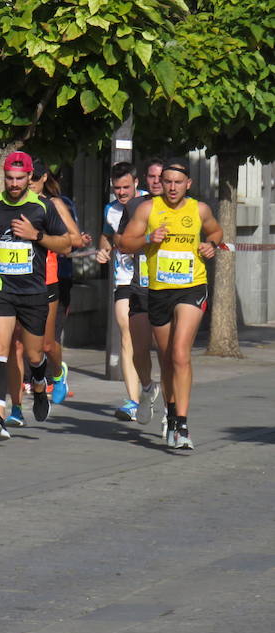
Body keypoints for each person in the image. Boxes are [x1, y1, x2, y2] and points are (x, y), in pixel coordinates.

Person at [120, 159, 223, 451]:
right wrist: (148, 238)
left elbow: (216, 231)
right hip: (159, 290)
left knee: (180, 353)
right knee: (166, 358)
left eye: (179, 182)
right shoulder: (147, 209)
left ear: (188, 184)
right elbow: (125, 244)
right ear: (160, 183)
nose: (173, 187)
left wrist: (211, 245)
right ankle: (172, 415)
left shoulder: (199, 209)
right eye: (168, 182)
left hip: (192, 287)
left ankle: (183, 422)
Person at [0, 151, 72, 441]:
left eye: (19, 179)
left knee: (33, 354)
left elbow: (65, 245)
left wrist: (36, 236)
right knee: (0, 349)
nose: (14, 184)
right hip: (1, 290)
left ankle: (39, 386)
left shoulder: (42, 207)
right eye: (9, 179)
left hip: (34, 293)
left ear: (30, 178)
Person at [4, 159, 85, 427]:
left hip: (46, 282)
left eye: (34, 179)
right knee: (15, 346)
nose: (28, 183)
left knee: (45, 346)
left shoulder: (51, 206)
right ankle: (15, 409)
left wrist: (39, 235)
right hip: (13, 283)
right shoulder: (6, 205)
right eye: (26, 178)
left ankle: (58, 374)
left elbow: (71, 242)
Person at [118, 158, 166, 425]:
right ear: (145, 179)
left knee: (168, 352)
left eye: (162, 177)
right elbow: (124, 243)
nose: (157, 182)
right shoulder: (136, 206)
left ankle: (171, 414)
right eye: (152, 176)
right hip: (142, 286)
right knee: (139, 348)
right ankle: (147, 389)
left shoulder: (185, 208)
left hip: (171, 288)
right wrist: (147, 239)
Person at [96, 162, 144, 421]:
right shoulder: (111, 210)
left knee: (154, 341)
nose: (122, 192)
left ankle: (150, 386)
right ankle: (133, 400)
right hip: (124, 278)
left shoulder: (150, 203)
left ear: (136, 183)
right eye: (117, 188)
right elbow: (105, 237)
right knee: (126, 332)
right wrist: (102, 250)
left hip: (151, 280)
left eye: (126, 187)